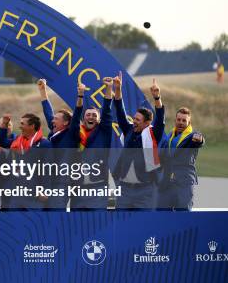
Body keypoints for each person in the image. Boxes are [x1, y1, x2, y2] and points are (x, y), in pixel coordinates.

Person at [113, 72, 165, 210]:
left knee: (143, 225)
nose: (133, 121)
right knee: (121, 224)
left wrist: (157, 98)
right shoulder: (129, 130)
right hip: (124, 189)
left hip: (145, 190)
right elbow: (120, 111)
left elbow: (160, 119)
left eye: (137, 120)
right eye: (134, 118)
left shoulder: (153, 133)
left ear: (147, 123)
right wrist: (118, 89)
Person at [37, 79, 83, 210]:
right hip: (46, 181)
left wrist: (80, 96)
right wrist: (42, 91)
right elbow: (48, 112)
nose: (53, 120)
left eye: (56, 119)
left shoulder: (71, 135)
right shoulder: (53, 134)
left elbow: (77, 114)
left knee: (56, 214)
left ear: (66, 123)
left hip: (61, 183)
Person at [70, 77, 115, 210]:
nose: (91, 117)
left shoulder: (104, 132)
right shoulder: (77, 133)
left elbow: (107, 111)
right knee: (76, 225)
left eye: (94, 115)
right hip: (77, 189)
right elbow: (76, 115)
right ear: (83, 118)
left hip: (98, 189)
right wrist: (80, 95)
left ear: (99, 119)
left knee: (95, 225)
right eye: (88, 115)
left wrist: (109, 88)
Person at [0, 113, 51, 210]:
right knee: (14, 223)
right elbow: (2, 142)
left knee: (33, 224)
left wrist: (45, 191)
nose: (20, 126)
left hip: (35, 194)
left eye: (22, 124)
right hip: (17, 192)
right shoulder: (18, 140)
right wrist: (4, 124)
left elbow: (49, 170)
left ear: (32, 126)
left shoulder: (44, 144)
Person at [157, 107, 204, 211]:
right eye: (179, 120)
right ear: (175, 120)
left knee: (183, 215)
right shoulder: (169, 137)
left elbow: (199, 140)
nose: (181, 123)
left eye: (184, 120)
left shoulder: (191, 137)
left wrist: (200, 139)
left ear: (189, 123)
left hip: (184, 183)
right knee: (160, 213)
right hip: (167, 182)